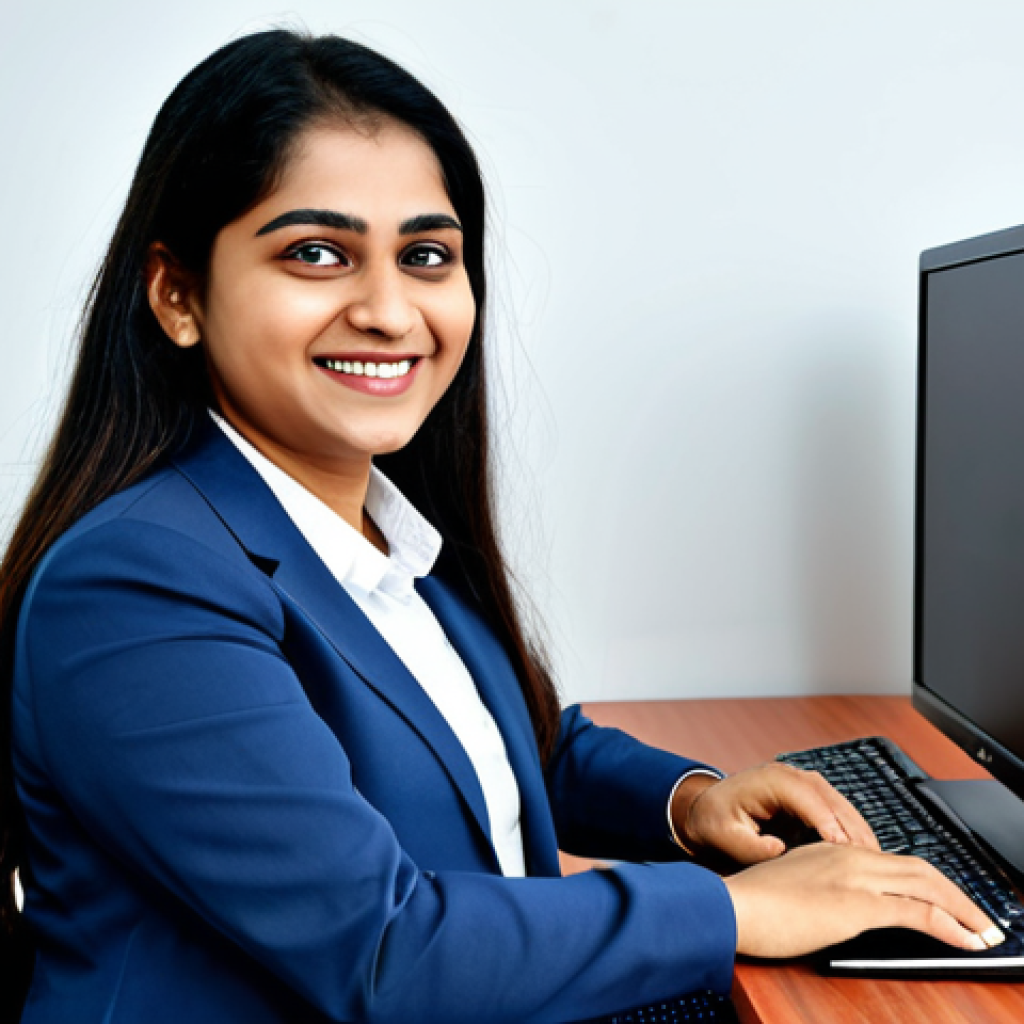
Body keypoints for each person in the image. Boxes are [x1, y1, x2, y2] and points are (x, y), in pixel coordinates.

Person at [0, 28, 1001, 1024]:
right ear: (177, 294)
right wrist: (736, 909)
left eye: (426, 256)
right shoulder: (136, 584)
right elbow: (382, 951)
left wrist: (691, 804)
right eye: (317, 254)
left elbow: (507, 748)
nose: (390, 310)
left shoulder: (376, 531)